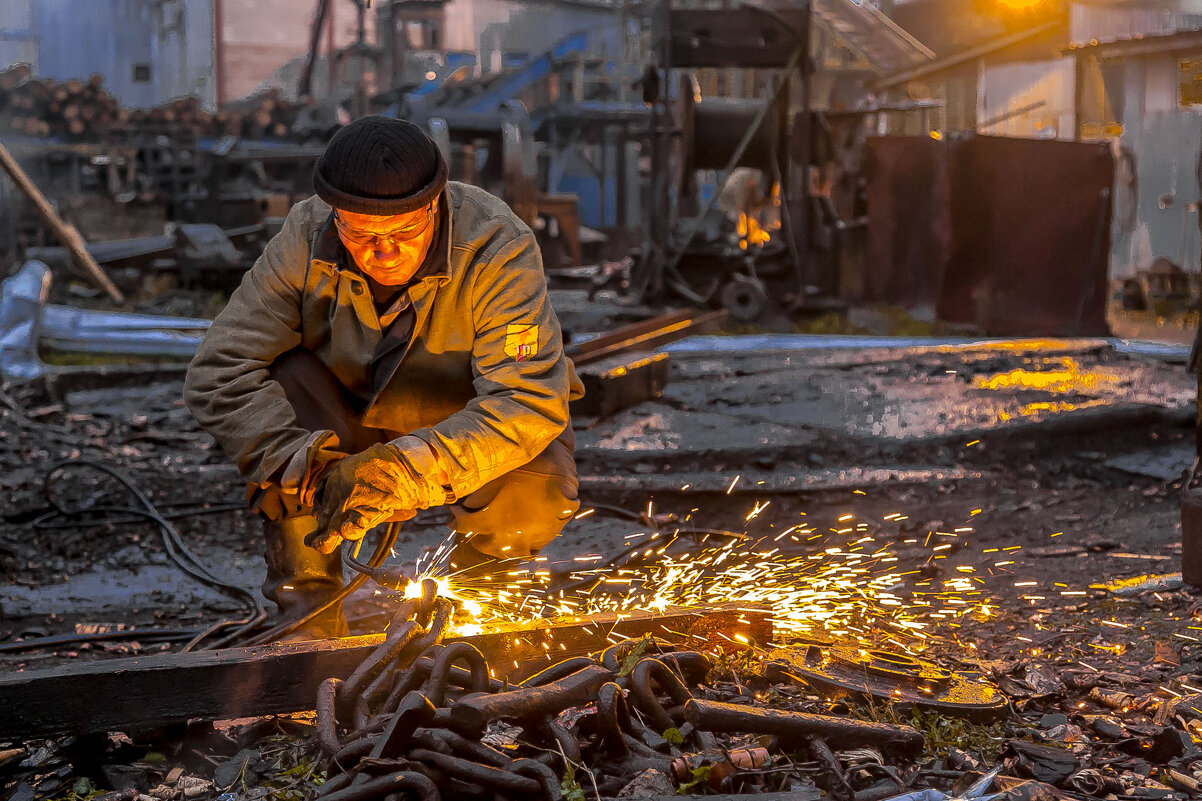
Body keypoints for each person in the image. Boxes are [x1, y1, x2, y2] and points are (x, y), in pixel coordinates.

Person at [184, 116, 582, 638]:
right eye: (361, 233)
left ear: (435, 205)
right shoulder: (305, 236)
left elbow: (526, 402)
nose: (383, 252)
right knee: (278, 389)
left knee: (535, 487)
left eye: (404, 232)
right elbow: (218, 371)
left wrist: (403, 470)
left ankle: (473, 612)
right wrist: (304, 465)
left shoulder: (495, 244)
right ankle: (309, 618)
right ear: (334, 213)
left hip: (456, 419)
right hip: (341, 416)